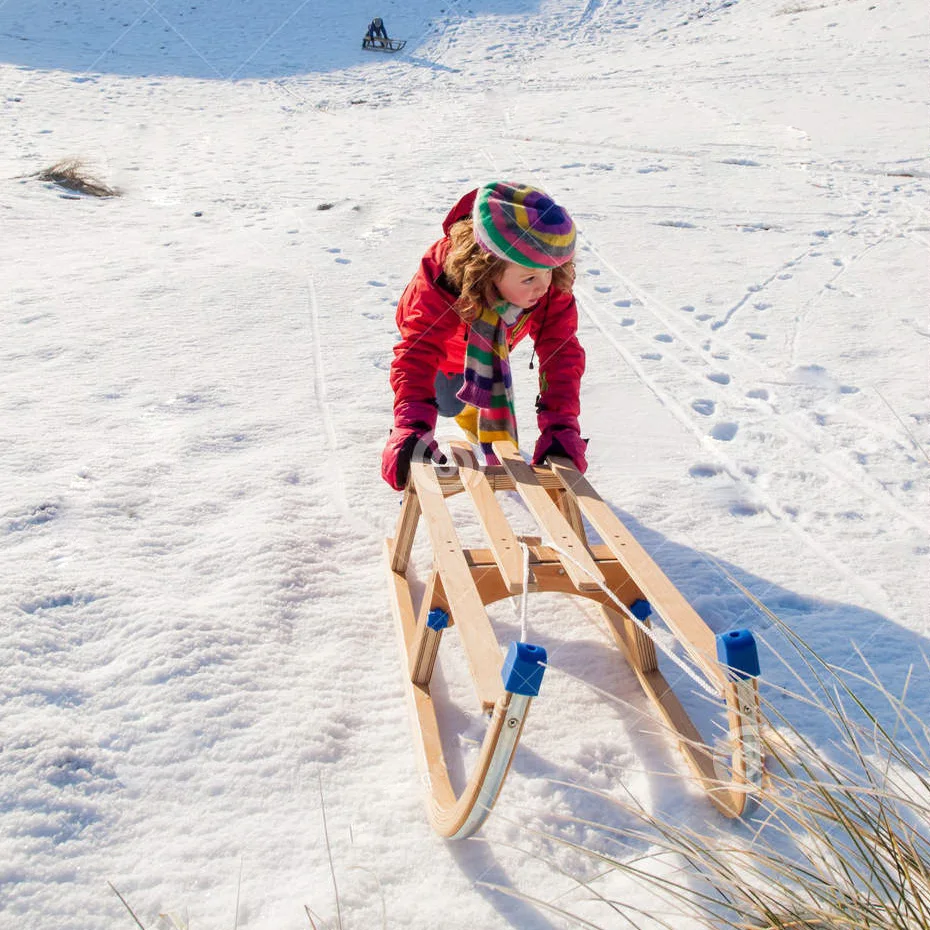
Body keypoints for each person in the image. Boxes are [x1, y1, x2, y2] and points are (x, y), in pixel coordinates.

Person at [381, 181, 587, 491]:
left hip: (489, 347)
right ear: (488, 269)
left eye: (549, 271)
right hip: (444, 349)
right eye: (530, 277)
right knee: (448, 403)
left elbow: (561, 354)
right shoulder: (443, 278)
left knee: (484, 386)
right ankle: (466, 408)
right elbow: (418, 351)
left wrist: (561, 427)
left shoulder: (547, 283)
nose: (542, 286)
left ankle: (477, 405)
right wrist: (411, 427)